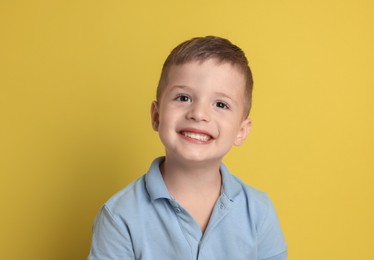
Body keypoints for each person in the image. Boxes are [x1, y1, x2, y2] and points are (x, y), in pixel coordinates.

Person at [88, 36, 287, 260]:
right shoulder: (119, 217)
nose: (199, 114)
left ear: (241, 131)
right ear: (156, 116)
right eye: (183, 98)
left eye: (221, 104)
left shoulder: (259, 212)